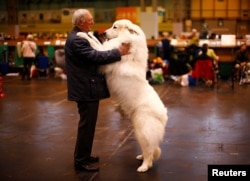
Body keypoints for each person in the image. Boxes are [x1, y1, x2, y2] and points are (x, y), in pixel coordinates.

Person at [64, 9, 130, 172]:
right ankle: (81, 160)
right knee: (86, 126)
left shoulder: (83, 36)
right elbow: (94, 56)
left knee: (89, 125)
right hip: (85, 89)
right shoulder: (77, 40)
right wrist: (118, 53)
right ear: (81, 22)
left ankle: (84, 155)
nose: (93, 23)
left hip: (88, 87)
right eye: (90, 20)